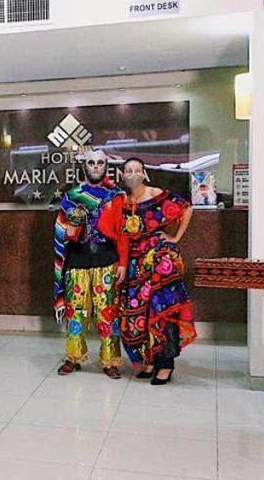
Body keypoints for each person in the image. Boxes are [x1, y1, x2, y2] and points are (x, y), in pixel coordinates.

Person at [101, 157, 197, 384]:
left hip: (158, 262)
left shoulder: (156, 193)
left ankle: (166, 364)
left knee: (163, 311)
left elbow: (187, 209)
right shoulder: (121, 200)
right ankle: (150, 360)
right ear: (122, 176)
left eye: (137, 170)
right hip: (134, 263)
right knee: (140, 314)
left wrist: (175, 237)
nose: (133, 174)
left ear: (144, 174)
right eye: (128, 170)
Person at [52, 148, 124, 378]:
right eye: (91, 162)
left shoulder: (116, 195)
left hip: (106, 259)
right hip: (77, 259)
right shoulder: (72, 195)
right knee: (76, 312)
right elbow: (60, 228)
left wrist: (122, 261)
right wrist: (70, 230)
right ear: (85, 165)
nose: (95, 166)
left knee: (107, 312)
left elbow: (123, 232)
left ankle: (110, 360)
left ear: (106, 166)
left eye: (100, 163)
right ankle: (74, 357)